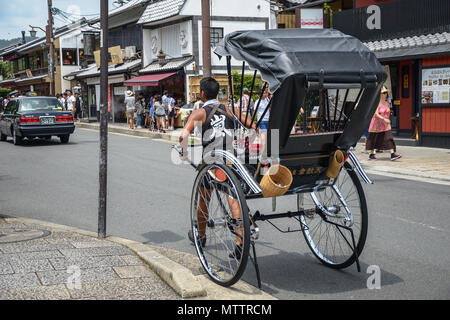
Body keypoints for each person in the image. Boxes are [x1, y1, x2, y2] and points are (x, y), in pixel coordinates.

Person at [179, 77, 257, 259]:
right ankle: (240, 241)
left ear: (203, 94)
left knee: (203, 200)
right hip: (231, 161)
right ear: (218, 93)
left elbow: (184, 135)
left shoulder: (200, 112)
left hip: (212, 164)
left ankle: (202, 235)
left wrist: (182, 151)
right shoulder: (231, 108)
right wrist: (250, 143)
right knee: (233, 197)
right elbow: (253, 126)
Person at [366, 86, 401, 161]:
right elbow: (375, 114)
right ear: (379, 94)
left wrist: (387, 120)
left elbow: (388, 112)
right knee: (374, 139)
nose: (385, 94)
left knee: (389, 138)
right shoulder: (376, 103)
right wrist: (384, 119)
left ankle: (392, 154)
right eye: (383, 92)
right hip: (376, 124)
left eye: (386, 93)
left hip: (385, 125)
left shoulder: (387, 102)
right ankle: (372, 154)